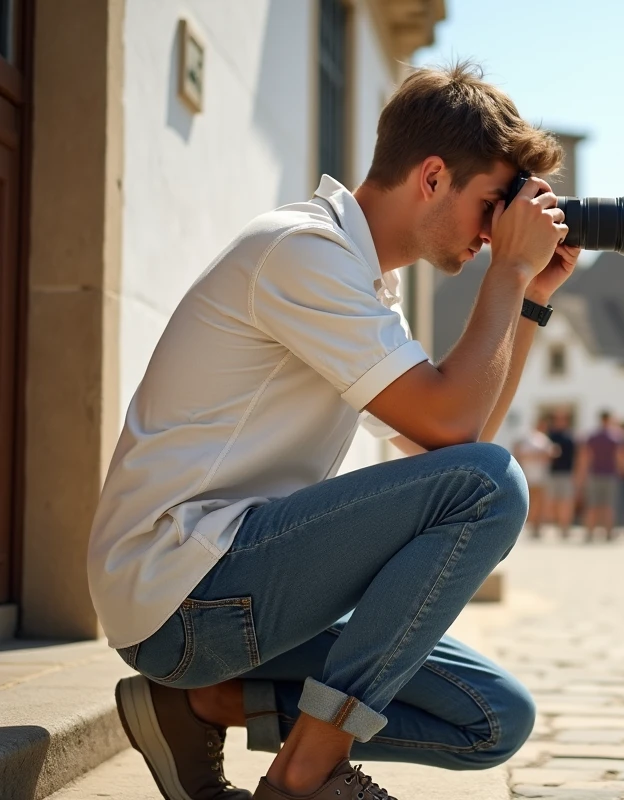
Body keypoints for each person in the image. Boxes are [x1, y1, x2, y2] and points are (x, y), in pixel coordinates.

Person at [88, 62, 581, 800]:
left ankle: (208, 704)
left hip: (238, 587)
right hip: (180, 592)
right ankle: (307, 772)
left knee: (493, 719)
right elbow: (471, 460)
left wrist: (531, 301)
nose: (493, 232)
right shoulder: (301, 251)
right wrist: (506, 275)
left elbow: (458, 441)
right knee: (491, 485)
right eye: (491, 205)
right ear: (434, 176)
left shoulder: (362, 285)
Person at [576, 410, 624, 542]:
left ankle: (589, 532)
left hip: (594, 474)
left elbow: (585, 457)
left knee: (592, 505)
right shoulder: (616, 437)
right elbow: (620, 457)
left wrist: (582, 475)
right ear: (609, 420)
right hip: (610, 475)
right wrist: (622, 472)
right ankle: (608, 533)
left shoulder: (592, 437)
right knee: (609, 505)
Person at [512, 416, 559, 539]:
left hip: (540, 474)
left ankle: (537, 527)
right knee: (531, 501)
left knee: (540, 502)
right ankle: (531, 526)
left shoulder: (543, 438)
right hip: (530, 474)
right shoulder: (529, 438)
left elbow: (551, 454)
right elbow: (521, 453)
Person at [545, 409, 579, 539]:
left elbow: (578, 456)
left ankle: (564, 528)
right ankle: (554, 526)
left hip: (566, 474)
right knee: (552, 502)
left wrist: (577, 474)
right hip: (551, 473)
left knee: (566, 502)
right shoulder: (549, 436)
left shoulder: (571, 436)